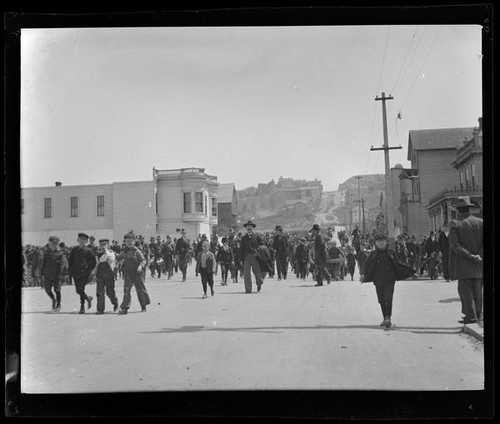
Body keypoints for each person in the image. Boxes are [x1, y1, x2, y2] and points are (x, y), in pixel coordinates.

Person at [360, 233, 415, 328]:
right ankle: (385, 317)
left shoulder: (391, 252)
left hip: (390, 279)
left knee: (388, 298)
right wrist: (362, 274)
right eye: (378, 241)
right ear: (375, 243)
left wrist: (408, 272)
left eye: (382, 241)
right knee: (381, 300)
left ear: (386, 242)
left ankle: (388, 318)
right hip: (378, 280)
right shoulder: (373, 254)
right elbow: (366, 265)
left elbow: (398, 263)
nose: (380, 243)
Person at [449, 196, 483, 325]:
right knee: (478, 290)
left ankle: (470, 316)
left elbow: (455, 246)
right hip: (479, 264)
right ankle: (479, 315)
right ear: (470, 208)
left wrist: (469, 256)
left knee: (465, 292)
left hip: (463, 264)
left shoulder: (455, 224)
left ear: (458, 210)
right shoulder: (480, 222)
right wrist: (478, 256)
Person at [117, 232, 150, 314]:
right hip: (128, 273)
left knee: (140, 290)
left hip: (137, 273)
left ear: (134, 241)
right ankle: (125, 307)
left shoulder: (137, 251)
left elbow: (143, 260)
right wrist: (110, 253)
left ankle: (143, 306)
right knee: (126, 290)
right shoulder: (125, 252)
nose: (129, 242)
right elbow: (118, 257)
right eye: (127, 241)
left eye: (131, 241)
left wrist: (140, 266)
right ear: (124, 242)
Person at [37, 236, 68, 312]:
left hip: (57, 275)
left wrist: (62, 274)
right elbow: (42, 264)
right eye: (52, 243)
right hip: (47, 274)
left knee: (57, 290)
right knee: (47, 290)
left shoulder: (61, 253)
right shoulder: (46, 253)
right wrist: (40, 274)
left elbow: (63, 265)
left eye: (56, 243)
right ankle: (53, 299)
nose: (54, 244)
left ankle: (58, 304)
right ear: (49, 243)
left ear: (58, 244)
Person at [68, 233, 96, 314]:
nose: (82, 241)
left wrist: (88, 269)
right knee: (78, 290)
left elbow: (93, 262)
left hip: (84, 273)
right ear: (78, 240)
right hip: (75, 273)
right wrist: (71, 271)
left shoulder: (88, 251)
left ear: (86, 241)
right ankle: (88, 298)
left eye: (84, 240)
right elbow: (71, 261)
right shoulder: (74, 250)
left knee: (81, 289)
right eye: (81, 239)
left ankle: (82, 306)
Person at [239, 220, 264, 293]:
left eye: (250, 226)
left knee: (257, 272)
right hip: (246, 257)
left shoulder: (257, 237)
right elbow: (241, 249)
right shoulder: (243, 238)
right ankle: (248, 289)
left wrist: (259, 252)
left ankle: (259, 283)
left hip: (255, 257)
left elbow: (262, 245)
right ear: (246, 228)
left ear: (253, 228)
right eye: (247, 226)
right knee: (246, 273)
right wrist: (240, 259)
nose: (249, 228)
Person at [94, 239, 119, 314]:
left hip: (109, 275)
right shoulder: (97, 253)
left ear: (108, 245)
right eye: (101, 244)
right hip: (100, 275)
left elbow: (113, 262)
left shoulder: (111, 253)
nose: (103, 246)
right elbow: (96, 264)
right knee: (100, 292)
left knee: (110, 292)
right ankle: (100, 309)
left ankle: (115, 303)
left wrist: (106, 252)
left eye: (105, 244)